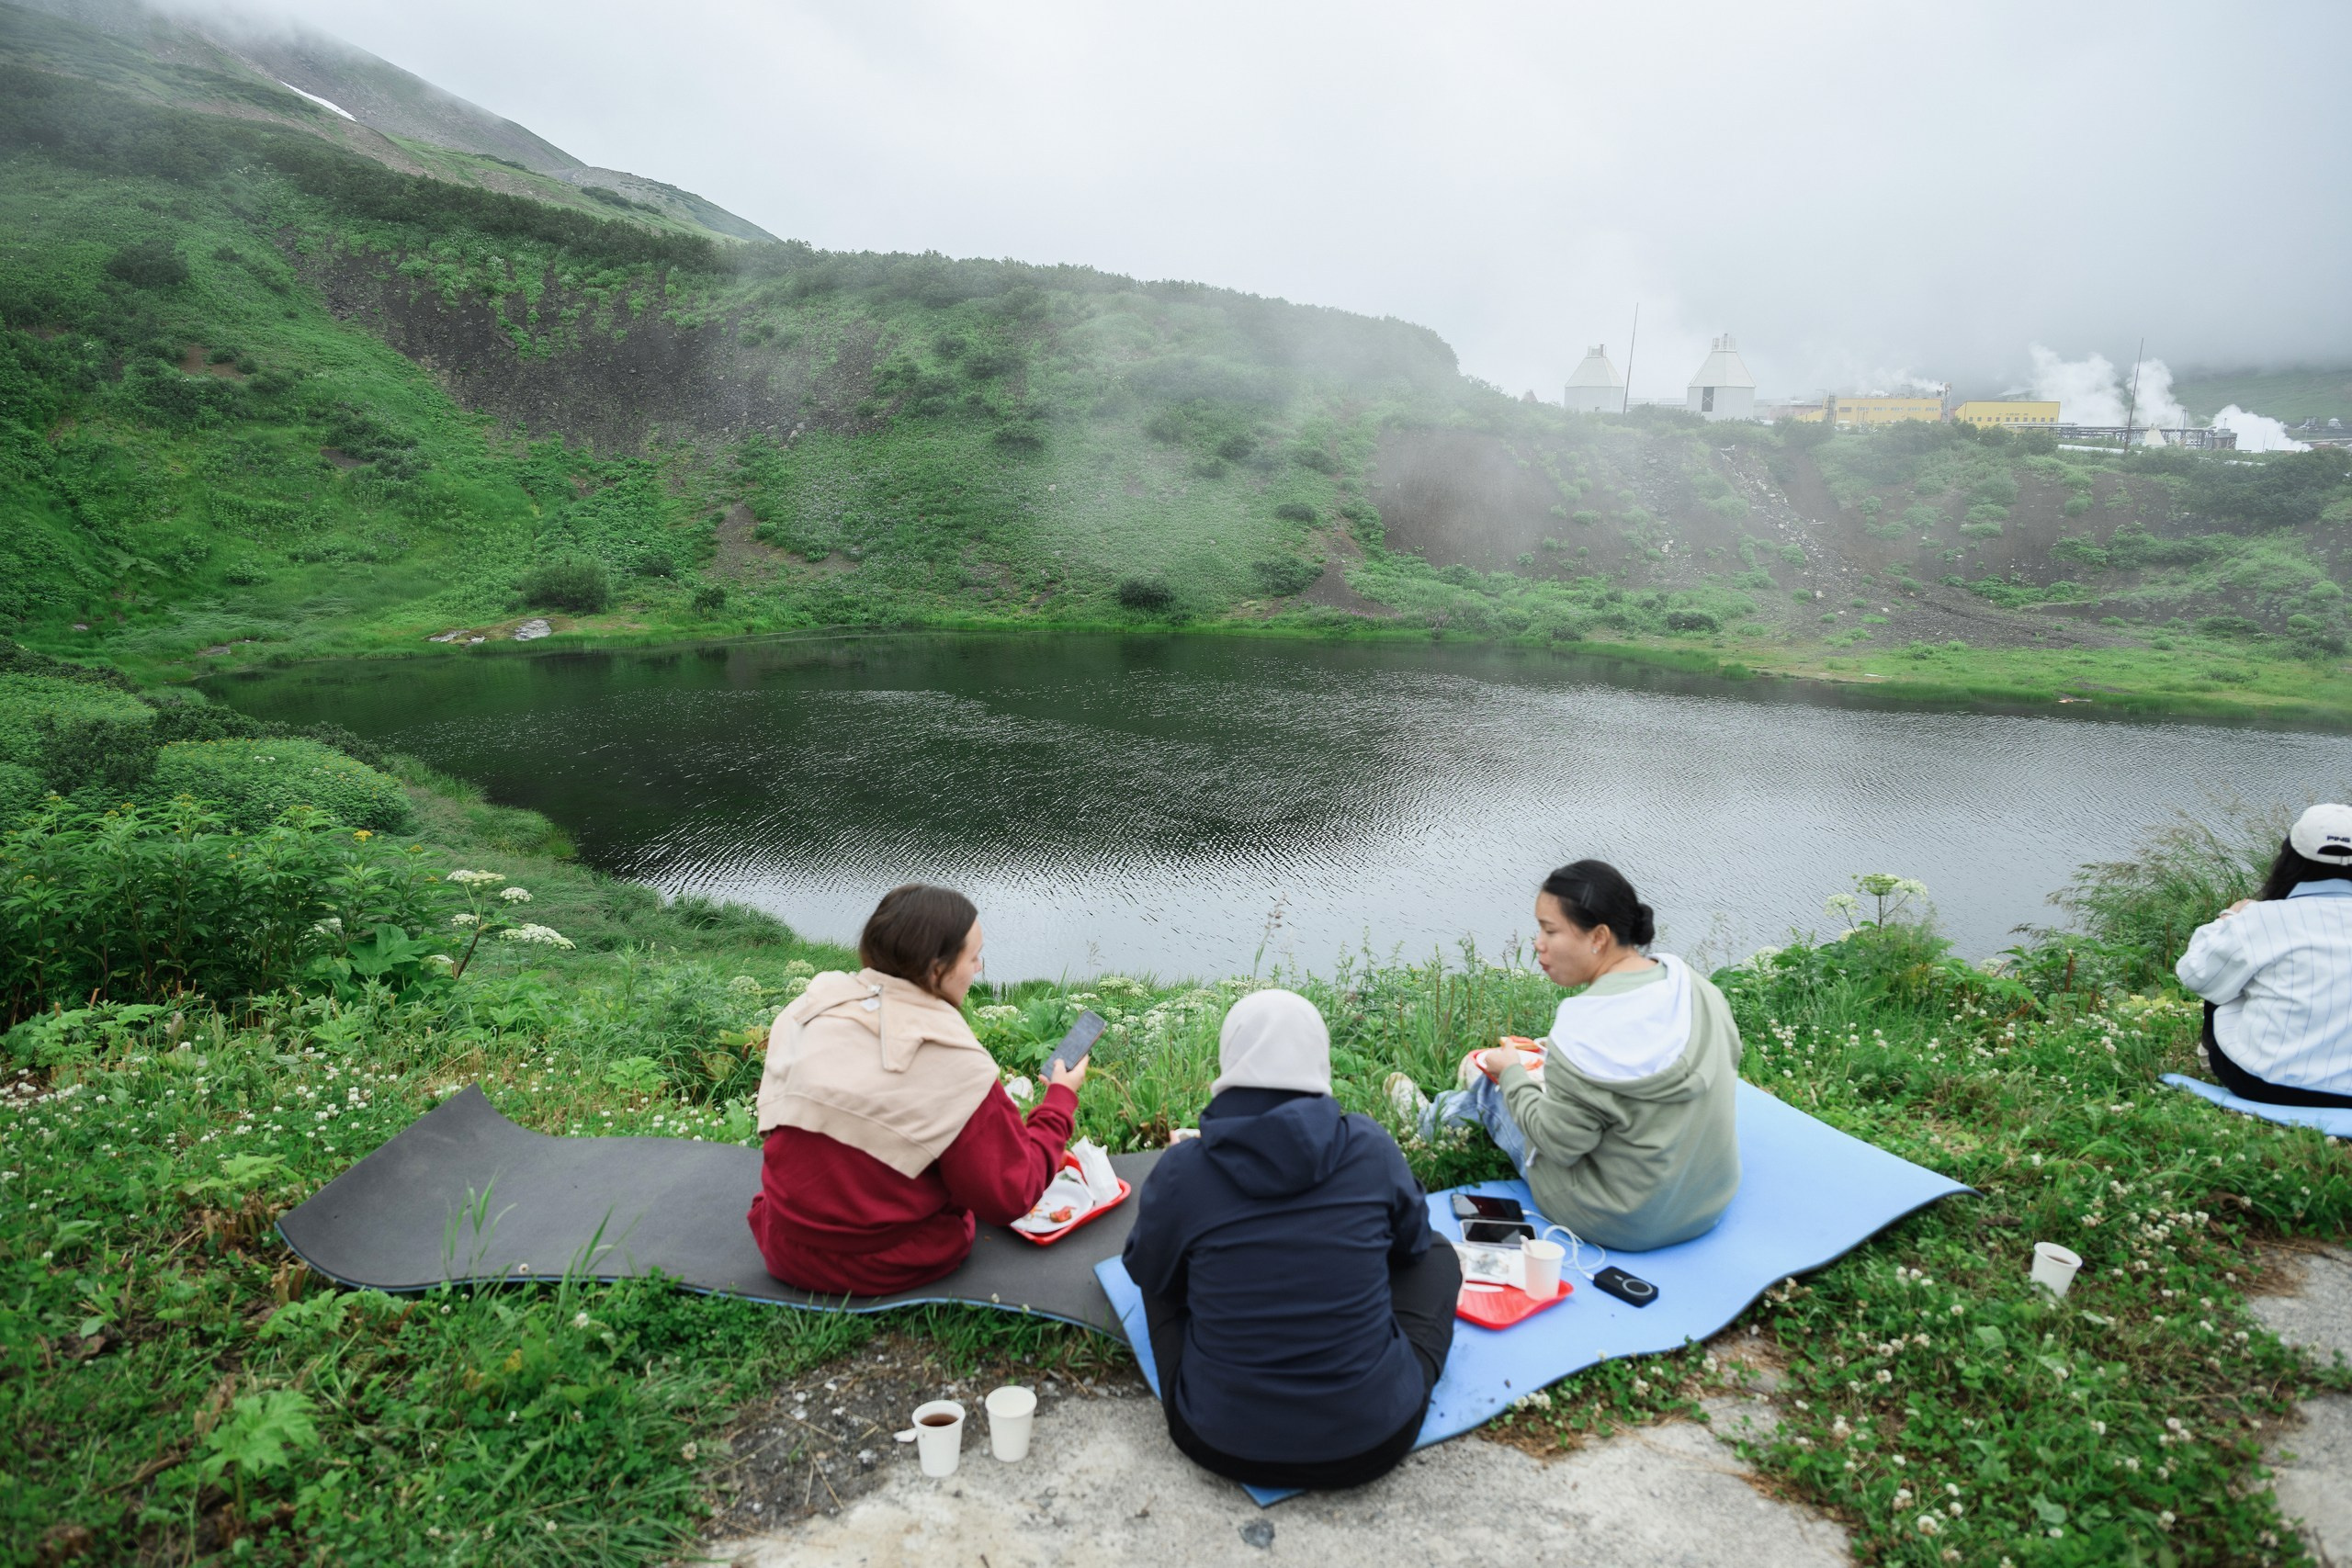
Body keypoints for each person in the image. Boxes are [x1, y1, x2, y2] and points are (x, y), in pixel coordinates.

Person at [1120, 988, 1460, 1492]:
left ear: (1229, 1060)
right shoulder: (1369, 1146)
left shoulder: (1184, 1172)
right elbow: (1409, 1248)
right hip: (1373, 1438)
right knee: (1436, 1253)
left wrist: (1181, 1183)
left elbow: (1145, 1270)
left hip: (1217, 1437)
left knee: (1161, 1269)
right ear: (1318, 1059)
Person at [745, 884, 1087, 1294]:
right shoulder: (954, 1061)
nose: (978, 968)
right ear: (936, 969)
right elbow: (1009, 1196)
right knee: (961, 1208)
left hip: (783, 1245)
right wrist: (1060, 1101)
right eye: (974, 957)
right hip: (877, 1263)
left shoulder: (810, 1007)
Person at [1392, 859, 1741, 1252]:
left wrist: (1510, 1075)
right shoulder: (1694, 988)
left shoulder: (1584, 1022)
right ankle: (1490, 1084)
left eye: (1549, 929)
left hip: (1623, 1219)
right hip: (1706, 1200)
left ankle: (1428, 1119)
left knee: (1496, 1092)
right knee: (1535, 1080)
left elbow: (1559, 1144)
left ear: (1599, 937)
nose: (1538, 943)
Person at [2176, 802, 2352, 1109]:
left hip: (2265, 1084)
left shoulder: (2261, 920)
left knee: (2225, 969)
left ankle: (2209, 1057)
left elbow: (2197, 973)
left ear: (2289, 857)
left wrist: (2228, 919)